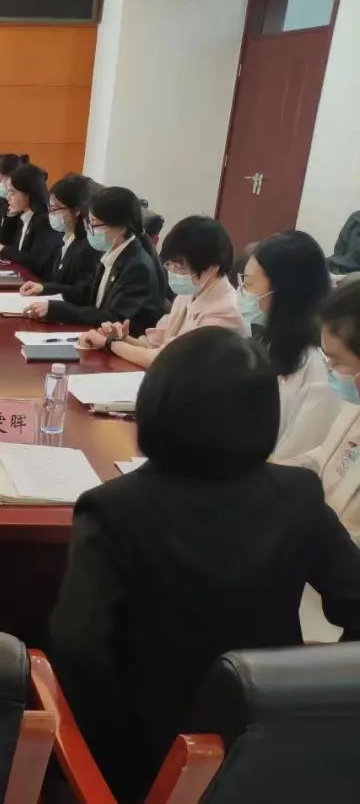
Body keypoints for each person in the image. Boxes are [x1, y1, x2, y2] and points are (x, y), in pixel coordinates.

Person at [50, 326, 360, 803]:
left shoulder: (114, 508)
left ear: (156, 405)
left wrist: (113, 753)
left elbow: (79, 646)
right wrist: (307, 703)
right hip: (265, 748)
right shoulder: (298, 496)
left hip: (146, 761)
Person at [289, 281, 360, 641]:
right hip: (322, 574)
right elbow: (324, 458)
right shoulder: (354, 405)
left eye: (337, 361)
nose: (329, 369)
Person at [79, 216, 245, 368]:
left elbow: (164, 359)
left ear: (212, 268)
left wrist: (110, 343)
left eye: (180, 267)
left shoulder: (225, 311)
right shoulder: (190, 293)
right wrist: (121, 338)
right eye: (169, 265)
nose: (172, 272)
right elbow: (153, 344)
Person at [242, 231, 340, 459]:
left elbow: (294, 459)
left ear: (284, 290)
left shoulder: (319, 369)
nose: (243, 293)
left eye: (248, 284)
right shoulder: (267, 341)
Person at [25, 186, 167, 337]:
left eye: (95, 224)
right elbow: (87, 296)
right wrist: (46, 290)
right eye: (89, 222)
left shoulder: (138, 267)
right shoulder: (111, 251)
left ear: (122, 227)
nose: (90, 230)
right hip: (96, 333)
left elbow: (114, 318)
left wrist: (57, 310)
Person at [19, 174, 102, 304]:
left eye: (55, 209)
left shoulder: (87, 246)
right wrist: (43, 288)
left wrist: (46, 289)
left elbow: (82, 293)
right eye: (50, 208)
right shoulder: (64, 238)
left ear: (77, 210)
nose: (51, 214)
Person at [0, 163, 61, 280]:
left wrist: (3, 250)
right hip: (20, 277)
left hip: (37, 282)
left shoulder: (45, 221)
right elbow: (4, 242)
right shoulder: (24, 215)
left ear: (29, 193)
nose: (8, 197)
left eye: (12, 193)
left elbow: (35, 261)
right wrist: (10, 216)